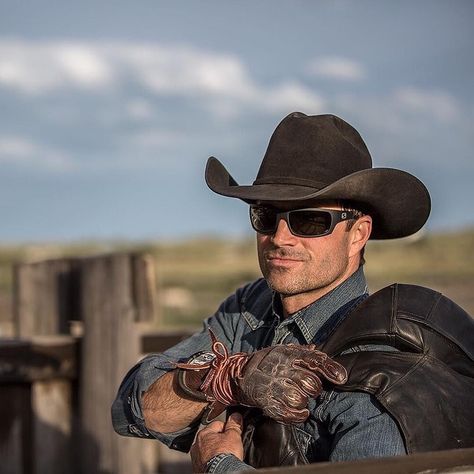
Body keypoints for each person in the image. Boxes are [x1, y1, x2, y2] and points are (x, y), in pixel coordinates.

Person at [112, 112, 474, 473]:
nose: (280, 238)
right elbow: (136, 409)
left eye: (309, 220)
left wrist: (218, 467)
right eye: (266, 216)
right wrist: (228, 378)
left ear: (358, 234)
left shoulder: (381, 370)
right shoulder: (248, 310)